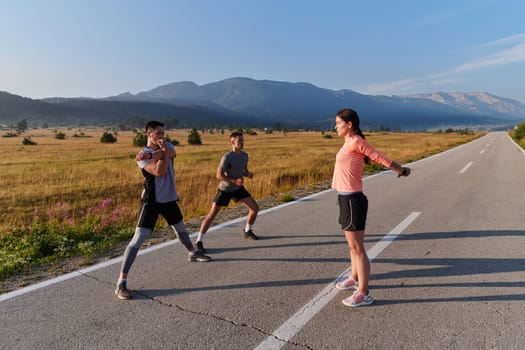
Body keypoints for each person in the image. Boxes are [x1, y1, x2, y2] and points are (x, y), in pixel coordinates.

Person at [115, 121, 211, 300]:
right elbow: (159, 171)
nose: (162, 136)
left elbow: (171, 152)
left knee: (180, 228)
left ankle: (192, 252)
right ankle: (121, 283)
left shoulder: (159, 150)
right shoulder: (144, 158)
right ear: (149, 134)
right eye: (158, 133)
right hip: (151, 201)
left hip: (169, 198)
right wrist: (161, 154)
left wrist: (158, 152)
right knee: (138, 239)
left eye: (163, 133)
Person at [332, 108, 410, 307]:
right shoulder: (348, 142)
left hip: (352, 200)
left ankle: (364, 293)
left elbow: (378, 157)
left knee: (358, 248)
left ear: (350, 125)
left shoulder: (357, 141)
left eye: (339, 123)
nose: (335, 126)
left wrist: (399, 170)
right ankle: (354, 277)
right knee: (352, 246)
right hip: (344, 199)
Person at [195, 131, 260, 253]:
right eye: (239, 140)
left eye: (243, 140)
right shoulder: (227, 157)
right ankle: (199, 241)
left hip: (238, 189)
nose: (242, 142)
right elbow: (219, 175)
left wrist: (248, 174)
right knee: (211, 215)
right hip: (225, 189)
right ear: (232, 142)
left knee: (255, 208)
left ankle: (247, 231)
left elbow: (243, 171)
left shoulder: (245, 155)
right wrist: (234, 180)